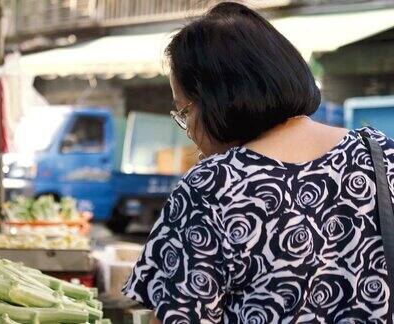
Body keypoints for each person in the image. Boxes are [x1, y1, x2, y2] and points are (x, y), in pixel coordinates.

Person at [123, 2, 394, 323]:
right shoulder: (381, 154)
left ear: (217, 101)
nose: (189, 132)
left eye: (184, 112)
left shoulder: (214, 185)